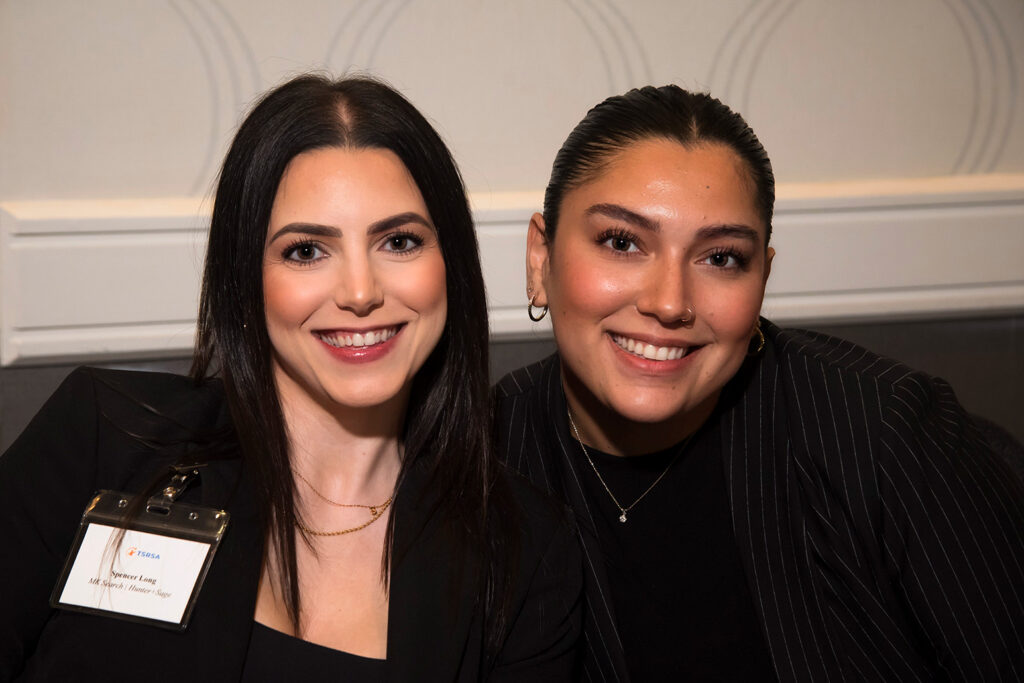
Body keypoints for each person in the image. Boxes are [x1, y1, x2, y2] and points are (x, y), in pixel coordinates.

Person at [0, 74, 581, 681]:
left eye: (399, 241)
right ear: (244, 278)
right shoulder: (106, 435)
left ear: (451, 264)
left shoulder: (522, 553)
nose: (361, 293)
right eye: (306, 250)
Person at [495, 85, 1024, 682]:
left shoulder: (886, 433)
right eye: (622, 243)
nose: (670, 304)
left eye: (721, 258)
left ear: (763, 276)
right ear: (541, 259)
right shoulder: (474, 462)